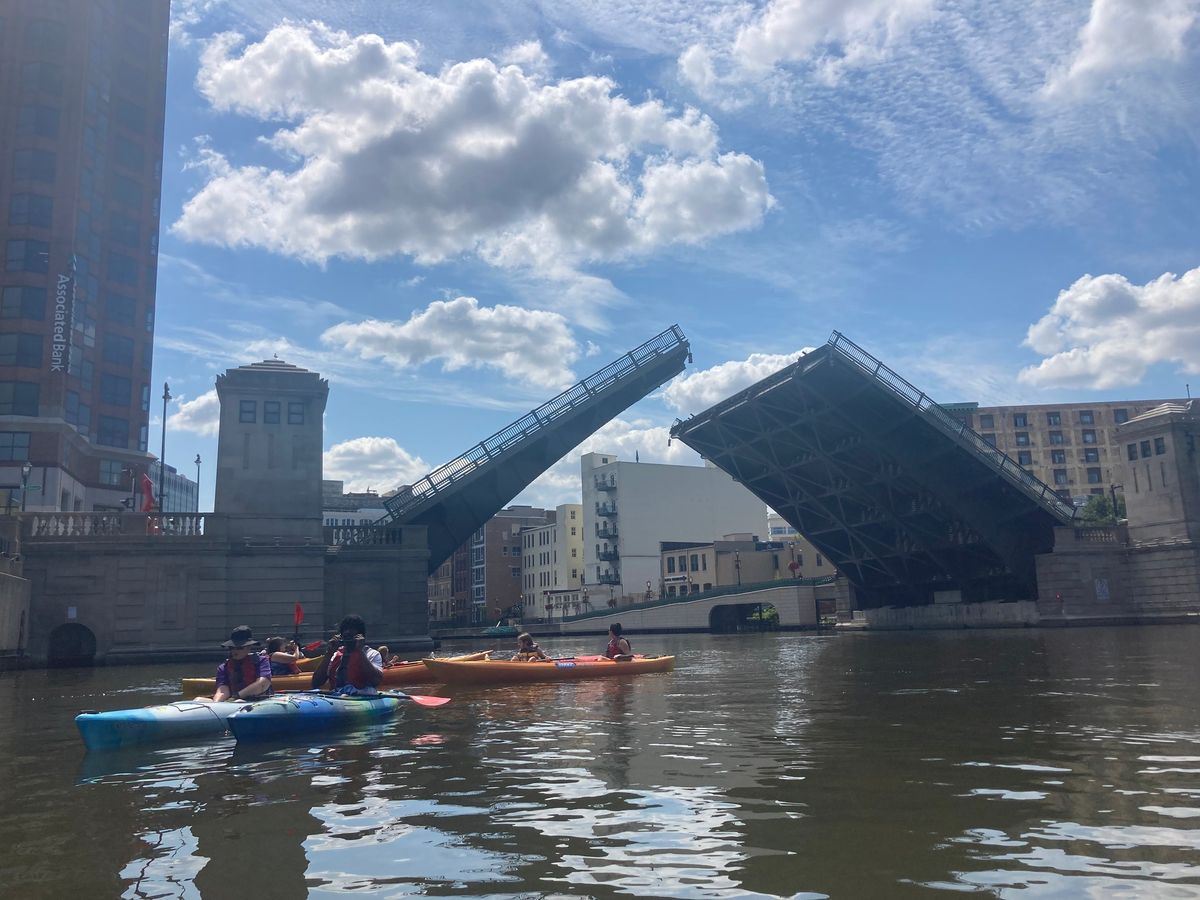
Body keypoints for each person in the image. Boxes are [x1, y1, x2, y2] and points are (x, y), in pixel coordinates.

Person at [311, 614, 385, 694]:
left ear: (360, 634)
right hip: (337, 698)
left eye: (351, 629)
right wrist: (329, 653)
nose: (347, 632)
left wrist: (360, 651)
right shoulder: (334, 655)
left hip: (361, 697)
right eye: (345, 629)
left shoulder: (372, 654)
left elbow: (375, 681)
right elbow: (316, 683)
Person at [209, 625, 272, 702]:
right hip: (233, 702)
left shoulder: (261, 661)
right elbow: (222, 691)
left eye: (239, 647)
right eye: (231, 647)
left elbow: (262, 684)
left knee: (238, 701)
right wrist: (216, 704)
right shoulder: (223, 667)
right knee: (198, 699)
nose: (235, 651)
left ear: (249, 647)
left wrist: (237, 697)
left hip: (258, 702)